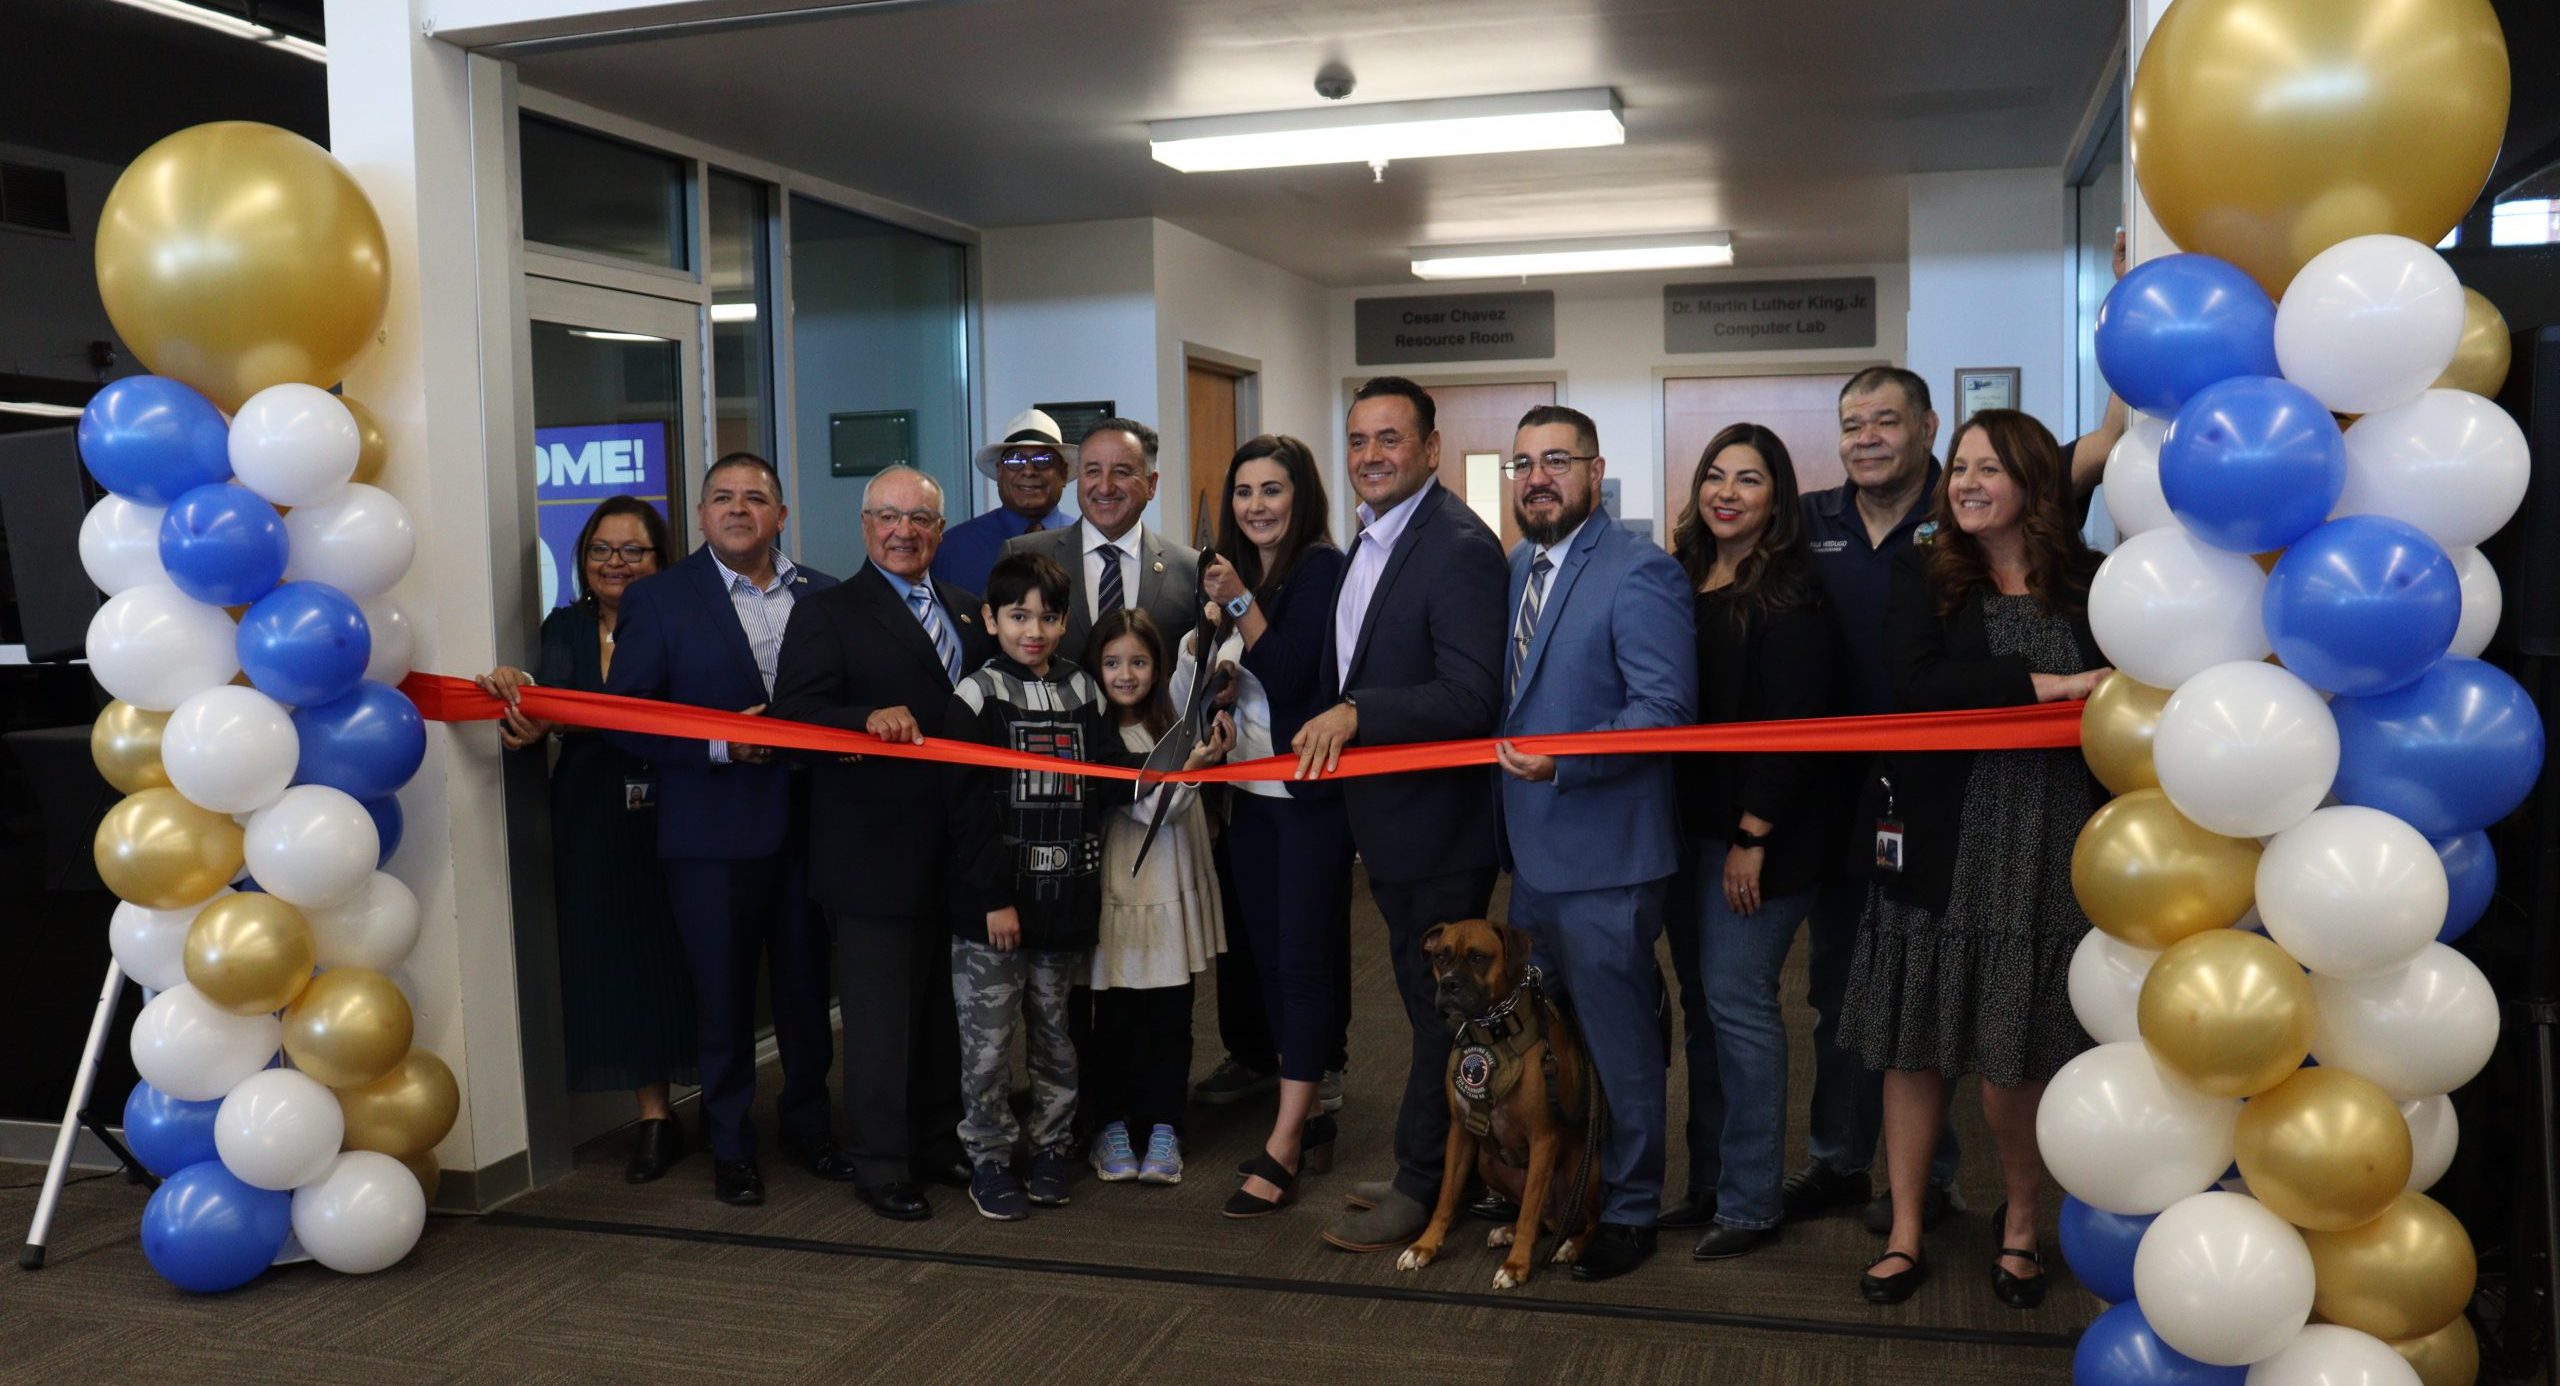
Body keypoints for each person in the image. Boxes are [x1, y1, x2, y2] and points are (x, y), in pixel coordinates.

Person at [1841, 409, 2110, 1308]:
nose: (1964, 483)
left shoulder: (2095, 584)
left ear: (2034, 483)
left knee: (2015, 1064)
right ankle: (1910, 1230)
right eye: (1957, 467)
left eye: (1986, 467)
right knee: (1912, 1049)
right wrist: (2057, 689)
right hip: (1940, 841)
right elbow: (1919, 687)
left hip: (2049, 850)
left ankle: (2022, 1222)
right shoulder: (1927, 576)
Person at [1299, 377, 1509, 1254]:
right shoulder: (1373, 540)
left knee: (1441, 1016)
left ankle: (1427, 1188)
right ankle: (1433, 1165)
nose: (1371, 456)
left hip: (1437, 829)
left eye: (1391, 439)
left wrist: (1360, 715)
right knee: (1428, 1012)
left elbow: (1470, 693)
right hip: (1387, 823)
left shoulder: (1456, 545)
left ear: (1430, 447)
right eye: (1358, 440)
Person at [600, 453, 841, 1207]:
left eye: (756, 498)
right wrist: (716, 743)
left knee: (808, 995)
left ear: (781, 515)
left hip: (812, 832)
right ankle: (731, 1144)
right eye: (723, 498)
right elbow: (626, 720)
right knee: (725, 999)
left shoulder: (828, 597)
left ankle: (808, 1124)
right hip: (710, 837)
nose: (740, 509)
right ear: (702, 516)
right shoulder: (661, 601)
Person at [1490, 404, 1697, 1281]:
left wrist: (1564, 767)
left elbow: (1662, 713)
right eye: (1525, 463)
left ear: (1595, 470)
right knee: (1552, 1048)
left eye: (1558, 461)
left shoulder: (1639, 572)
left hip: (1607, 854)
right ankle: (1569, 1190)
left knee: (1620, 1045)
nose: (1539, 477)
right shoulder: (1515, 570)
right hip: (1532, 855)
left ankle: (1633, 1209)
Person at [767, 465, 993, 1222]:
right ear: (865, 526)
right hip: (870, 853)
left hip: (954, 849)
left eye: (921, 519)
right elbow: (793, 717)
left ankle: (934, 1137)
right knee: (879, 1021)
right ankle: (882, 1162)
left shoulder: (967, 612)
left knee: (940, 1014)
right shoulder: (827, 612)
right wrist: (862, 718)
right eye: (889, 517)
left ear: (939, 527)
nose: (905, 532)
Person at [475, 497, 696, 1185]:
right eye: (601, 549)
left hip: (677, 806)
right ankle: (652, 1111)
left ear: (661, 560)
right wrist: (521, 696)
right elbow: (543, 700)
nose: (615, 564)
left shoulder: (683, 620)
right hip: (590, 814)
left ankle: (697, 1106)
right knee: (612, 962)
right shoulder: (565, 625)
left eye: (633, 551)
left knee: (680, 960)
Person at [1661, 425, 1840, 1261]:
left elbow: (1795, 733)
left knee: (1738, 1005)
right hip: (1689, 831)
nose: (1727, 492)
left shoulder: (1792, 592)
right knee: (1704, 1010)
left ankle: (1751, 1202)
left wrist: (1751, 836)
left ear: (1779, 498)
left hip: (1762, 840)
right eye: (1715, 476)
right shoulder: (1683, 578)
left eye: (1750, 479)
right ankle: (1709, 1183)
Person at [1792, 366, 1963, 1233]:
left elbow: (2097, 455)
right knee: (1836, 987)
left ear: (1928, 426)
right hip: (1833, 799)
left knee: (1924, 992)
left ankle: (1928, 1176)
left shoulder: (1968, 505)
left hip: (1939, 796)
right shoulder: (1809, 519)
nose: (1865, 437)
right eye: (1852, 422)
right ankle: (1836, 1157)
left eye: (1885, 420)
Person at [941, 550, 1142, 1221]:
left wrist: (1173, 765)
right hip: (994, 911)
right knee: (989, 1043)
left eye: (1049, 617)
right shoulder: (976, 695)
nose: (1035, 629)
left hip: (1064, 906)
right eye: (1019, 615)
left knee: (1057, 1034)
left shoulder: (1084, 689)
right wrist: (994, 895)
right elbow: (965, 808)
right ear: (991, 620)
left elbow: (1110, 770)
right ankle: (991, 1156)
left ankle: (1053, 1143)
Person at [1194, 436, 1355, 1220]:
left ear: (1302, 497)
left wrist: (1238, 608)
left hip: (1307, 804)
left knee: (1300, 964)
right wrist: (1223, 699)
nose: (1256, 506)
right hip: (1251, 798)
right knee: (1266, 962)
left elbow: (1296, 675)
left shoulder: (1321, 568)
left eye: (1272, 490)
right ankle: (1312, 1111)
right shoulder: (1251, 576)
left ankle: (1287, 1139)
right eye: (1244, 491)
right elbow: (1258, 685)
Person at [1084, 609, 1232, 1188]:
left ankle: (1166, 1123)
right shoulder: (1096, 736)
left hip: (1169, 892)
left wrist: (1204, 629)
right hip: (1119, 896)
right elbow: (1154, 809)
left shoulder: (1171, 722)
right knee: (1115, 1019)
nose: (1126, 675)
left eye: (1139, 662)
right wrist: (1189, 773)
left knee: (1171, 1015)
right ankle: (1112, 1123)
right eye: (1113, 662)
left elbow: (1192, 671)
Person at [1004, 417, 1201, 664]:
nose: (1105, 487)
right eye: (1093, 471)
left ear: (1151, 485)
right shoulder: (1024, 556)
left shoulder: (1189, 569)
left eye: (1121, 472)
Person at [933, 407, 1077, 595]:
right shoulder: (953, 548)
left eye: (1043, 460)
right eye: (1015, 461)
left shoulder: (1084, 542)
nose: (1029, 470)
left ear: (1063, 473)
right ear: (1000, 471)